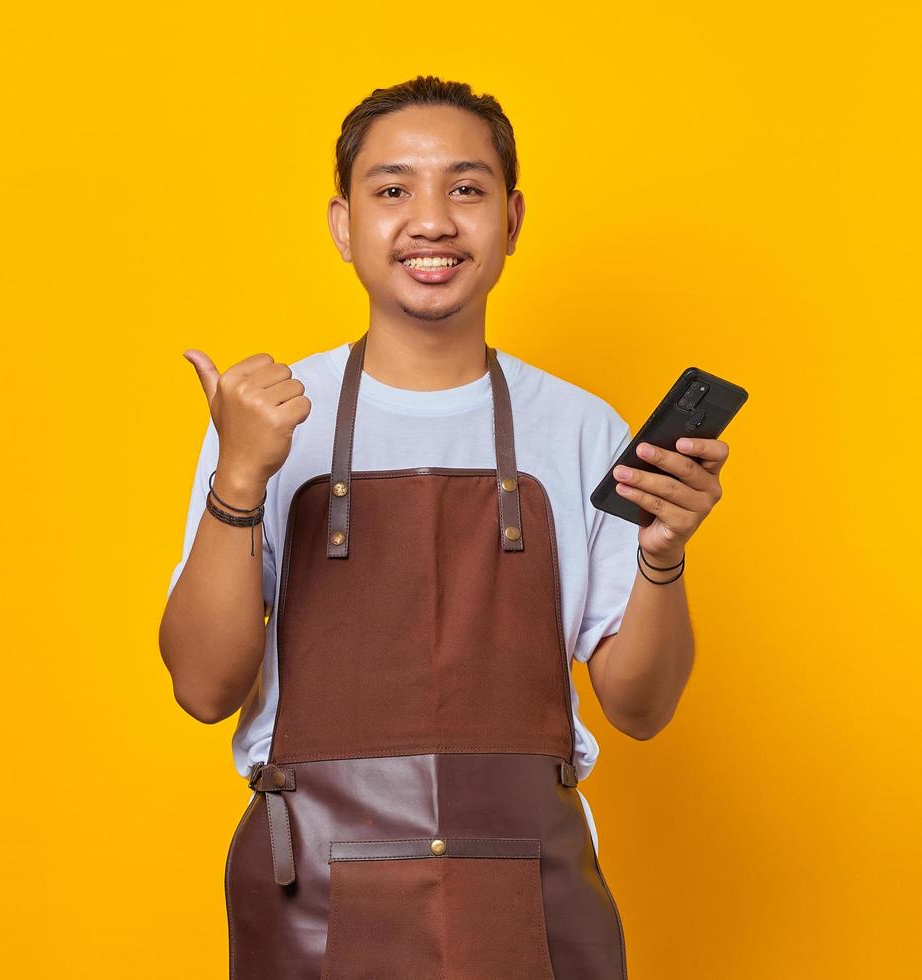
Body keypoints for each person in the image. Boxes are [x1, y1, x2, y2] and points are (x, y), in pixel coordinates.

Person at [159, 75, 728, 980]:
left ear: (513, 217)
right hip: (311, 892)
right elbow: (201, 685)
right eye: (394, 191)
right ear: (344, 224)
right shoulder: (264, 420)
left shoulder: (583, 428)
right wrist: (239, 477)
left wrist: (662, 560)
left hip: (531, 893)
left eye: (466, 188)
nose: (431, 220)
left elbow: (642, 708)